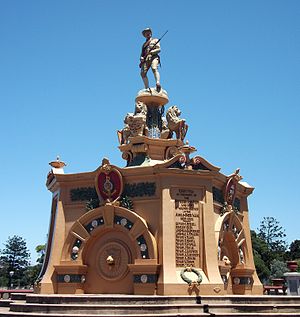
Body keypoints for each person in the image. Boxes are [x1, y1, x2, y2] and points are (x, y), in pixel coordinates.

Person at [140, 28, 161, 92]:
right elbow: (142, 54)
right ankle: (147, 88)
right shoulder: (144, 45)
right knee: (142, 73)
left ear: (151, 33)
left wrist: (151, 52)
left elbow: (159, 49)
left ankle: (157, 83)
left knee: (154, 68)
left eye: (148, 32)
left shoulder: (155, 40)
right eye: (146, 33)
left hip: (153, 57)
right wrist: (141, 58)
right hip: (146, 59)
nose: (147, 33)